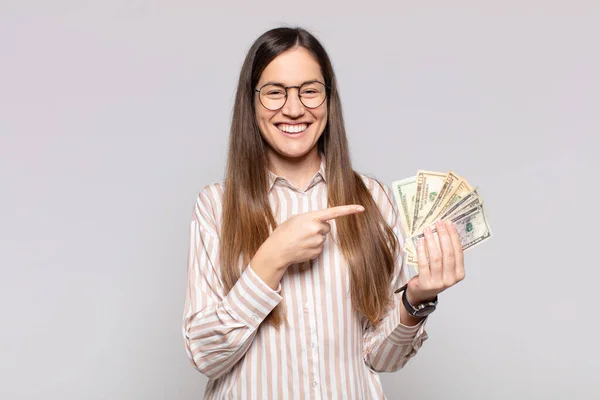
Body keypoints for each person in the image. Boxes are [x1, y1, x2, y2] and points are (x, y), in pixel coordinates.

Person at [182, 26, 465, 399]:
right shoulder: (216, 206)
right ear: (251, 102)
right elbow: (206, 355)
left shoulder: (372, 199)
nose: (295, 108)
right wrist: (271, 258)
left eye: (309, 91)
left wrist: (415, 299)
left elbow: (382, 358)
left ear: (328, 100)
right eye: (275, 93)